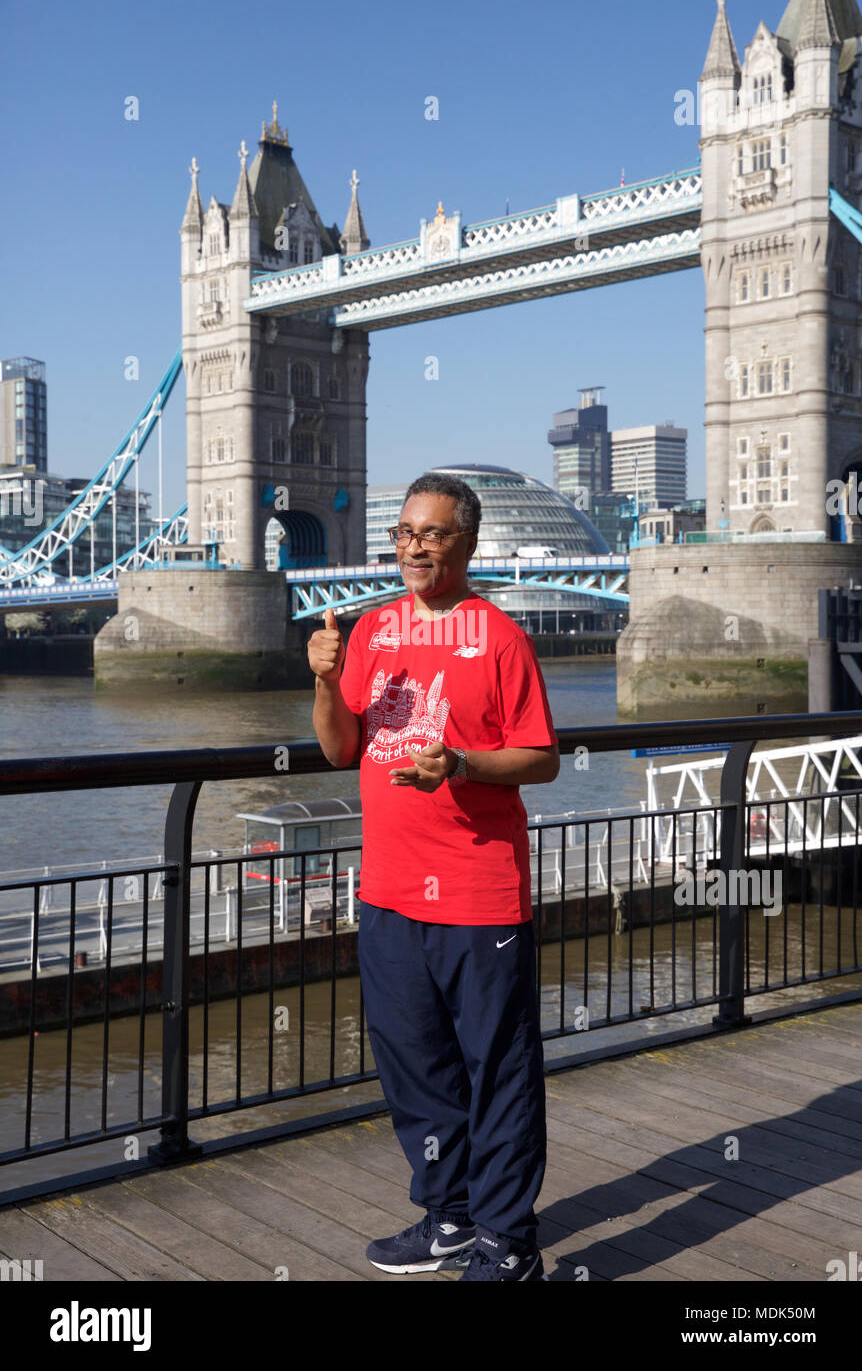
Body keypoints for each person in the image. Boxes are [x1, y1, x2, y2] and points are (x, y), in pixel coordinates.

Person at [307, 472, 559, 1282]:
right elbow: (339, 747)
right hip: (386, 891)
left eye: (435, 533)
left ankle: (508, 1240)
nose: (416, 545)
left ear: (467, 543)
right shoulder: (373, 630)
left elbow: (543, 759)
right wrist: (320, 676)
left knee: (499, 1073)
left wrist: (462, 765)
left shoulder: (500, 637)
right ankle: (448, 1217)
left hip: (478, 892)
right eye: (407, 531)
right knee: (415, 1066)